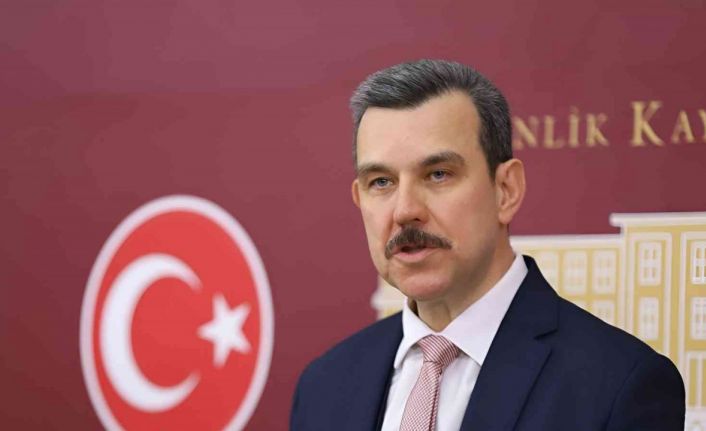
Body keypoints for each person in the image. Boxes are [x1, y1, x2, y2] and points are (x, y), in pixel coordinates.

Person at [290, 60, 685, 430]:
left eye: (438, 174)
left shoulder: (618, 384)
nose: (405, 210)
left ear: (506, 190)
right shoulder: (323, 386)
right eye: (381, 182)